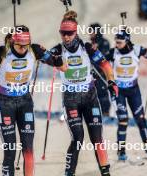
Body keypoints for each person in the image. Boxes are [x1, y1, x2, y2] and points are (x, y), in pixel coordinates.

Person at [0, 25, 67, 176]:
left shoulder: (34, 49)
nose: (23, 49)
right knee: (10, 148)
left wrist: (57, 61)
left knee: (28, 148)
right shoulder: (1, 52)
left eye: (26, 45)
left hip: (25, 101)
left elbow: (61, 66)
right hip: (4, 102)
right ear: (12, 41)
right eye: (20, 46)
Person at [50, 11, 118, 176]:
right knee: (78, 138)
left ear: (76, 32)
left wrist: (111, 81)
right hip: (71, 99)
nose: (66, 37)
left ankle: (105, 172)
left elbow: (106, 65)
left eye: (69, 33)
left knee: (97, 138)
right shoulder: (57, 50)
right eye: (62, 33)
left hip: (90, 98)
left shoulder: (87, 48)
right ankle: (69, 172)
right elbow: (42, 58)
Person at [105, 29, 147, 161]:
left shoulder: (137, 49)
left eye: (120, 42)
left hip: (134, 90)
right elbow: (100, 63)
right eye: (116, 42)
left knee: (140, 119)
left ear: (127, 40)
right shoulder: (112, 52)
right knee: (123, 120)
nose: (117, 44)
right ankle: (121, 151)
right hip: (118, 91)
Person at [89, 23, 111, 116]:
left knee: (102, 93)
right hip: (93, 74)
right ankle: (95, 114)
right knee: (92, 95)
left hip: (102, 73)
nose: (89, 33)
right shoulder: (91, 44)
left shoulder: (104, 42)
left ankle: (105, 112)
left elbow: (104, 58)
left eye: (91, 31)